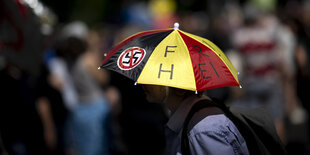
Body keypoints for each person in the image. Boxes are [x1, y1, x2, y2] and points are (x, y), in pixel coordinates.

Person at [141, 84, 249, 155]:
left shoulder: (204, 130)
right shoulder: (185, 119)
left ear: (179, 87)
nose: (143, 83)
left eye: (154, 76)